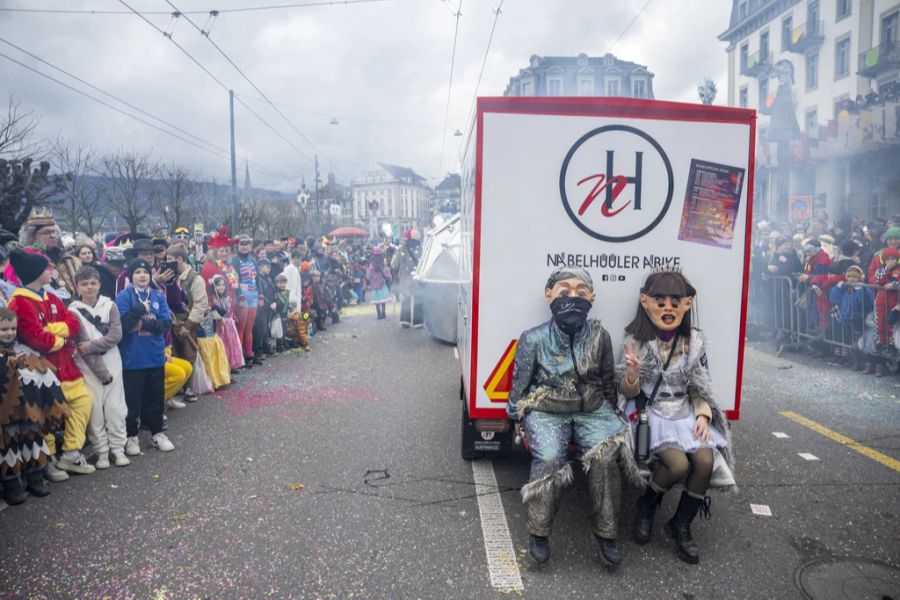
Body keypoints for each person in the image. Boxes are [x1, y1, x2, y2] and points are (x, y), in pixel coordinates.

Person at [507, 267, 635, 566]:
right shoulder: (534, 338)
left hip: (592, 409)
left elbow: (605, 380)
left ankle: (607, 532)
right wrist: (515, 415)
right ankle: (539, 532)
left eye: (580, 292)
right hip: (546, 409)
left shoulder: (600, 336)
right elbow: (519, 385)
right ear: (549, 295)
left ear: (592, 297)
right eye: (564, 292)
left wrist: (611, 408)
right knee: (550, 457)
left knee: (605, 458)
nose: (572, 298)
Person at [619, 270, 735, 565]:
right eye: (660, 301)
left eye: (675, 301)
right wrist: (632, 372)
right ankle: (647, 506)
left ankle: (681, 525)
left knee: (705, 461)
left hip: (685, 413)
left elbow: (700, 385)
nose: (668, 307)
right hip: (653, 415)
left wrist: (703, 416)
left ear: (687, 304)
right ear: (645, 302)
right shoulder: (637, 340)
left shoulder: (694, 342)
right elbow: (627, 390)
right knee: (678, 464)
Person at [7, 250, 95, 480]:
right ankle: (49, 460)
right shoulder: (19, 301)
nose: (51, 271)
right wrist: (62, 337)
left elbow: (72, 323)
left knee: (83, 401)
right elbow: (36, 338)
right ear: (37, 272)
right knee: (46, 414)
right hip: (41, 367)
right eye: (46, 268)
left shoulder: (50, 296)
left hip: (66, 364)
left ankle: (72, 451)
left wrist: (55, 332)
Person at [0, 306, 69, 504]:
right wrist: (10, 365)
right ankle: (12, 486)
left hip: (28, 410)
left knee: (32, 441)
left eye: (12, 328)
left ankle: (35, 479)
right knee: (8, 448)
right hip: (6, 413)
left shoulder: (23, 350)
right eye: (4, 329)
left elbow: (42, 375)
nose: (9, 333)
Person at [69, 266, 129, 469]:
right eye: (84, 284)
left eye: (93, 283)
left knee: (115, 407)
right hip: (87, 366)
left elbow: (116, 335)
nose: (89, 287)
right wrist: (89, 348)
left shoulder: (109, 305)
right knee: (95, 410)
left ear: (99, 285)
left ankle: (118, 448)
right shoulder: (73, 311)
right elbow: (80, 343)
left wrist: (94, 345)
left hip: (112, 360)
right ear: (77, 286)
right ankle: (102, 450)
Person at [116, 258, 174, 454]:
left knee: (156, 398)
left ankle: (158, 433)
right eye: (137, 272)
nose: (142, 275)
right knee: (132, 401)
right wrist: (140, 311)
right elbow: (124, 325)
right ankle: (131, 436)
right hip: (132, 358)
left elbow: (165, 324)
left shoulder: (158, 296)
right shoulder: (124, 297)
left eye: (145, 272)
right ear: (131, 276)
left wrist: (141, 324)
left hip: (155, 355)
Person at [829, 265, 875, 371]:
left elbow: (867, 302)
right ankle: (849, 359)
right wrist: (837, 287)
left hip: (858, 320)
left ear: (860, 277)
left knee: (857, 342)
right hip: (845, 318)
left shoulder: (864, 288)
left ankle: (858, 361)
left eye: (854, 277)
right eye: (849, 276)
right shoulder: (845, 288)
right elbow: (833, 299)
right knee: (847, 340)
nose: (851, 279)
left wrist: (859, 289)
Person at [232, 235, 260, 366]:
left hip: (253, 294)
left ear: (250, 246)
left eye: (246, 244)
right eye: (241, 244)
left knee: (249, 327)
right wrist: (239, 295)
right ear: (237, 246)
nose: (244, 247)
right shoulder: (235, 259)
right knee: (241, 327)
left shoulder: (253, 260)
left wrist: (260, 294)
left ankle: (249, 354)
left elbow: (258, 278)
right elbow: (234, 279)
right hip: (242, 296)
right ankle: (239, 357)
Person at [209, 275, 245, 371]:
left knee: (231, 344)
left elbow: (229, 310)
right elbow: (212, 312)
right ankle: (224, 366)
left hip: (229, 324)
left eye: (223, 285)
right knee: (223, 345)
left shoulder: (227, 297)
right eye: (218, 285)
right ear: (213, 287)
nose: (221, 287)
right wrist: (220, 318)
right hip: (220, 326)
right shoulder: (213, 299)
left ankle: (231, 364)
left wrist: (233, 316)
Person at [392, 229, 423, 328]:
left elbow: (394, 265)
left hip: (405, 279)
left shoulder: (401, 249)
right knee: (418, 299)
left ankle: (405, 321)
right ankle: (418, 322)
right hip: (418, 279)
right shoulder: (422, 248)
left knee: (406, 299)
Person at [253, 257, 276, 358]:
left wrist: (274, 302)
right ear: (260, 268)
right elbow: (260, 294)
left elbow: (272, 291)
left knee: (266, 328)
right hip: (261, 308)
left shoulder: (268, 278)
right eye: (267, 267)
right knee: (261, 329)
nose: (269, 269)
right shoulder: (258, 279)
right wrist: (269, 304)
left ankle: (266, 348)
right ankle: (258, 351)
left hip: (269, 308)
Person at [366, 247, 392, 320]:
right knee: (383, 299)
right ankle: (383, 313)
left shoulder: (371, 264)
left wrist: (369, 278)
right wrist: (389, 277)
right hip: (382, 283)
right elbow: (386, 272)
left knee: (377, 300)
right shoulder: (382, 263)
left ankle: (379, 314)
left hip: (374, 285)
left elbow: (368, 275)